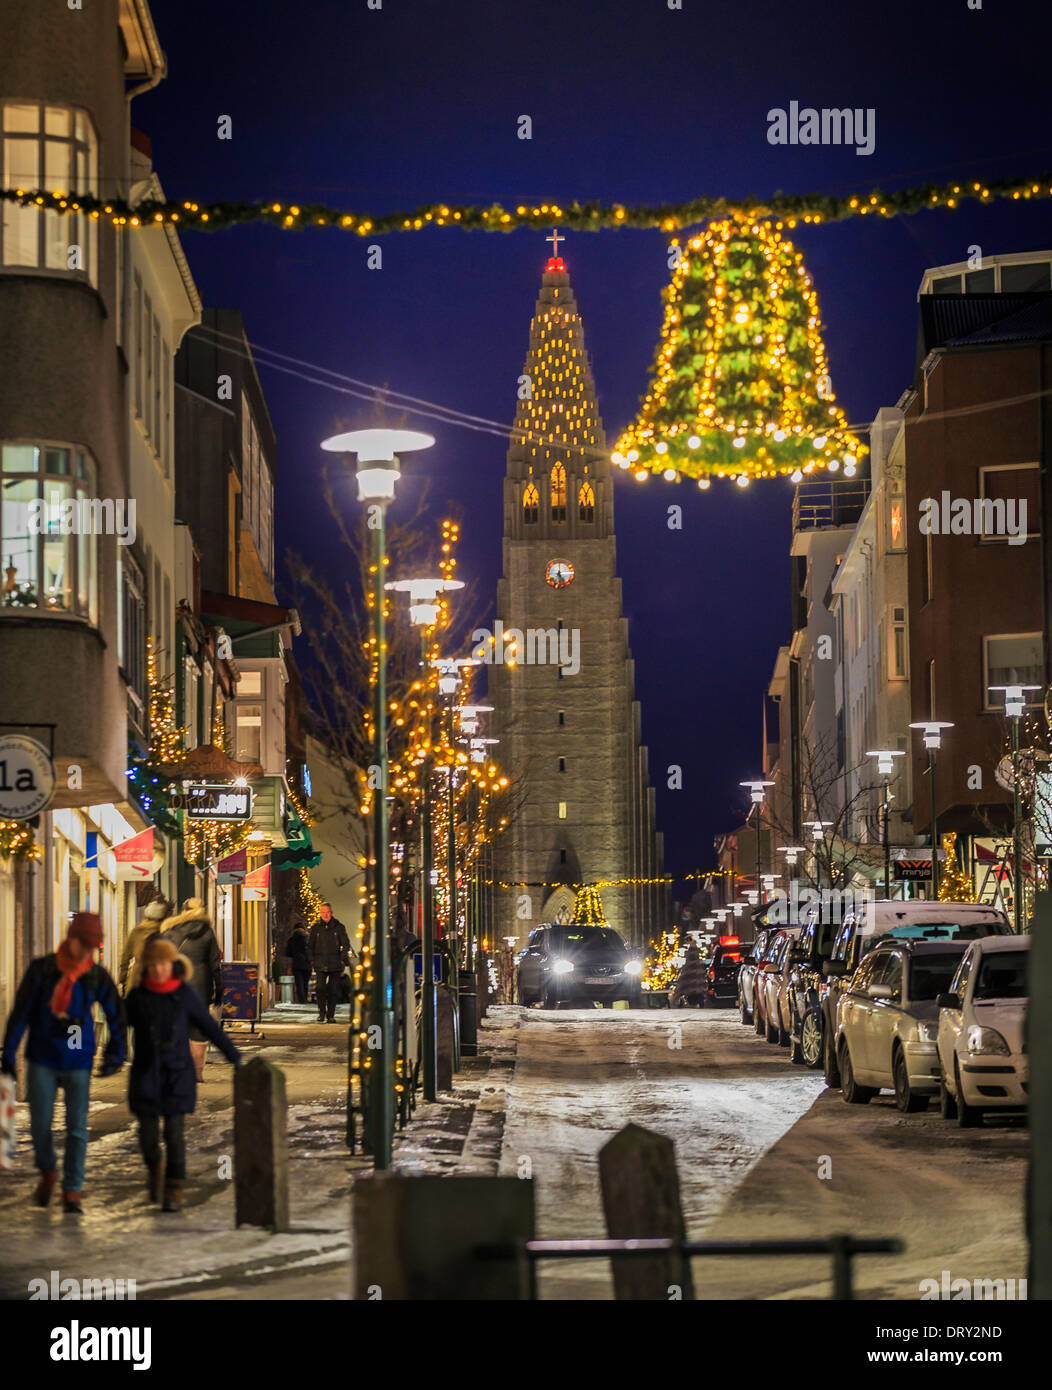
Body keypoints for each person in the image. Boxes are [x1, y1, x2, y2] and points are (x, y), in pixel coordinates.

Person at [1, 912, 126, 1215]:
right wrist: (9, 1053)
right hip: (43, 1056)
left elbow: (116, 1015)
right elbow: (21, 1013)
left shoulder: (96, 976)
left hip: (78, 1060)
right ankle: (47, 1171)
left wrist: (115, 1052)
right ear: (71, 939)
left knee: (76, 1128)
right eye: (85, 944)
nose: (89, 951)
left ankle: (73, 1189)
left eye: (94, 946)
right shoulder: (42, 971)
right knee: (41, 1125)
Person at [125, 936, 241, 1212]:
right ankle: (155, 1168)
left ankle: (174, 1186)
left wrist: (234, 1056)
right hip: (145, 1075)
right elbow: (119, 1025)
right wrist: (112, 1055)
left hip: (176, 1074)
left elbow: (210, 1028)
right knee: (148, 1136)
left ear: (172, 965)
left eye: (163, 964)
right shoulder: (138, 996)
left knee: (174, 1135)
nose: (158, 969)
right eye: (153, 964)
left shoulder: (184, 994)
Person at [160, 898, 223, 1081]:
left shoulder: (170, 931)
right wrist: (218, 990)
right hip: (200, 987)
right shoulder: (207, 932)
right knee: (197, 1032)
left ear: (183, 910)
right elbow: (215, 964)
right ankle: (197, 1073)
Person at [118, 896, 171, 995]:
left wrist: (123, 979)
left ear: (146, 916)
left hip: (137, 979)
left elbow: (125, 958)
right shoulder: (165, 932)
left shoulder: (137, 931)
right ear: (163, 918)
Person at [308, 903, 351, 1023]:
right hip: (320, 963)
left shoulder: (339, 927)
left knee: (333, 990)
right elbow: (310, 945)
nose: (325, 915)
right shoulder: (316, 928)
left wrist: (341, 958)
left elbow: (346, 944)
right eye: (323, 912)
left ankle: (330, 1015)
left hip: (335, 964)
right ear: (320, 914)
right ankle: (321, 1013)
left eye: (327, 912)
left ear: (331, 913)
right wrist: (312, 959)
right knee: (320, 988)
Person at [670, 942, 708, 1008]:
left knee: (693, 1007)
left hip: (691, 994)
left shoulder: (688, 966)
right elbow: (703, 980)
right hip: (698, 994)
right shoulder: (699, 965)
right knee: (700, 1007)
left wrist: (676, 997)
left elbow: (681, 982)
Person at [286, 922, 311, 1004]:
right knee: (305, 983)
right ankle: (305, 999)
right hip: (307, 964)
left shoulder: (291, 939)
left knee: (299, 983)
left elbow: (288, 953)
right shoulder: (308, 938)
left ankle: (302, 1000)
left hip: (296, 964)